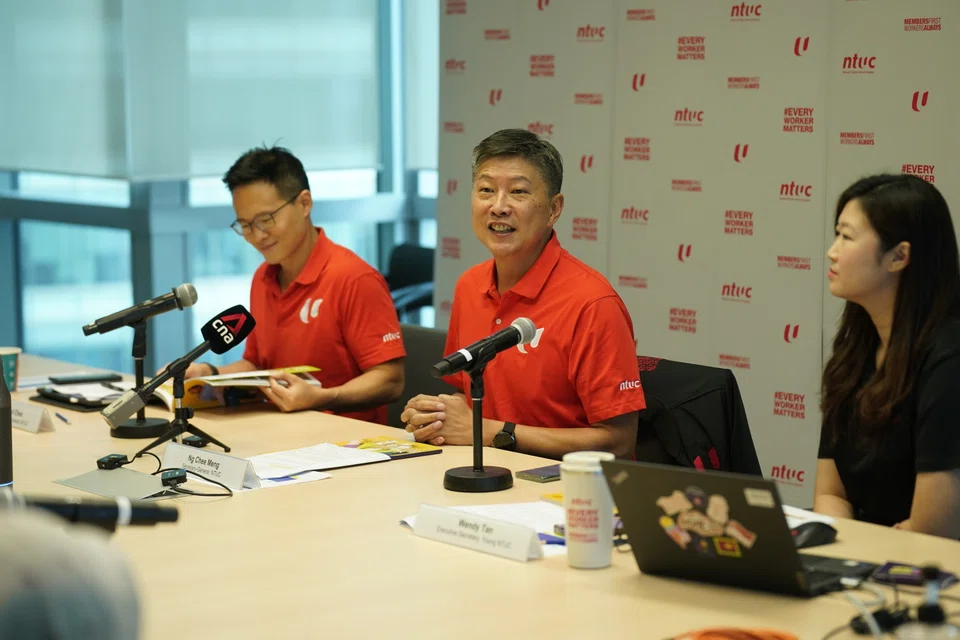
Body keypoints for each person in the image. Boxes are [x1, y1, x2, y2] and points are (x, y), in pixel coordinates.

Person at [400, 128, 645, 459]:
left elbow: (618, 442)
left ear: (554, 209)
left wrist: (494, 432)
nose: (499, 206)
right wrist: (438, 415)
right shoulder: (470, 286)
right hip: (485, 473)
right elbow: (473, 398)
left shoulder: (592, 303)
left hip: (560, 493)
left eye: (518, 192)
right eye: (486, 190)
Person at [176, 146, 405, 424]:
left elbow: (390, 380)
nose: (257, 236)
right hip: (278, 429)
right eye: (245, 225)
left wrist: (323, 397)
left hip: (344, 440)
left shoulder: (353, 278)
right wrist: (208, 372)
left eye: (266, 219)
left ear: (305, 204)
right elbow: (258, 364)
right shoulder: (264, 277)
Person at [814, 173, 960, 539]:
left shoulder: (948, 360)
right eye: (836, 234)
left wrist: (864, 549)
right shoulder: (854, 350)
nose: (832, 251)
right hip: (864, 552)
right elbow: (831, 494)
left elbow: (934, 528)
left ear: (899, 256)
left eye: (846, 237)